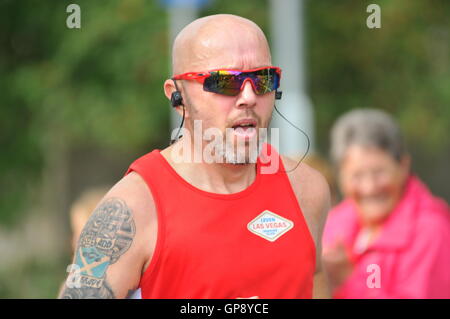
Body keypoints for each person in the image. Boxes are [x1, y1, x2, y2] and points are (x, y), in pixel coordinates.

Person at [59, 14, 330, 299]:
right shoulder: (134, 208)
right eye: (225, 82)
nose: (249, 96)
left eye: (262, 80)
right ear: (178, 96)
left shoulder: (306, 188)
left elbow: (316, 282)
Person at [322, 108, 450, 299]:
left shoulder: (431, 231)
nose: (369, 187)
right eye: (357, 176)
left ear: (404, 165)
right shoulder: (333, 221)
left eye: (379, 172)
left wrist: (348, 281)